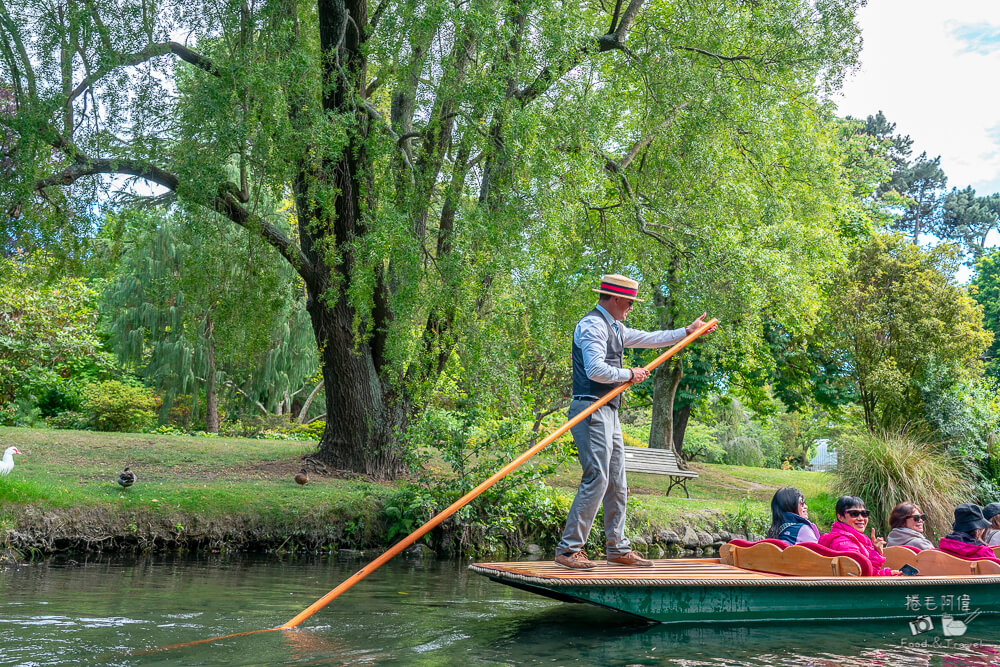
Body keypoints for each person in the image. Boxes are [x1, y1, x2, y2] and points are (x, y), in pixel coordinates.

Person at [554, 274, 716, 569]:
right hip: (590, 409)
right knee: (598, 478)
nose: (631, 308)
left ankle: (616, 547)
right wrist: (628, 374)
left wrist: (686, 332)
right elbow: (594, 370)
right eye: (629, 302)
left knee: (617, 480)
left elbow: (649, 339)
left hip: (609, 411)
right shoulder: (592, 325)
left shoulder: (616, 326)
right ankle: (568, 550)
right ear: (615, 299)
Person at [818, 495, 899, 576]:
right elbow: (863, 577)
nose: (861, 518)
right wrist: (877, 553)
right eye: (854, 513)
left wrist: (888, 573)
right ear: (840, 516)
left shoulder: (855, 539)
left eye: (864, 513)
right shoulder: (844, 543)